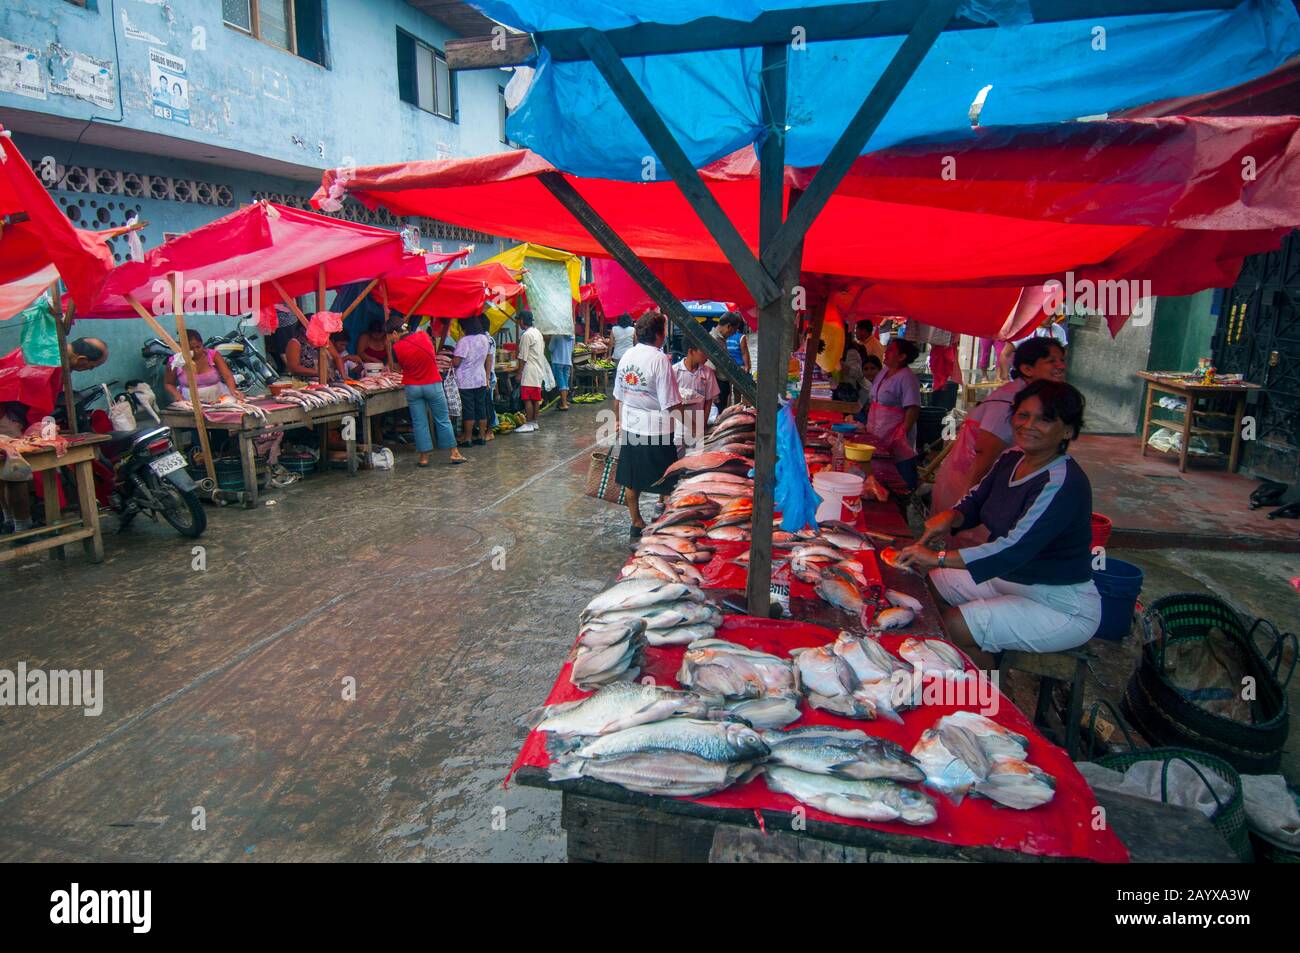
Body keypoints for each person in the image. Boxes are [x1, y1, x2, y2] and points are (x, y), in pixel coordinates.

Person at [895, 381, 1100, 667]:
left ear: (1067, 431)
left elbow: (1012, 550)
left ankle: (985, 694)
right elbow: (976, 502)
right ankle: (977, 660)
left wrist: (937, 557)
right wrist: (952, 517)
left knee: (953, 625)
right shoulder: (1010, 458)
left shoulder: (1063, 483)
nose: (1029, 425)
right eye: (1023, 415)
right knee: (929, 587)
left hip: (1057, 602)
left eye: (1045, 419)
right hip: (1010, 580)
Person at [930, 337, 1068, 519]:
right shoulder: (1007, 402)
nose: (1061, 366)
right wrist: (967, 508)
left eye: (1062, 360)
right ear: (1027, 369)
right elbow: (984, 457)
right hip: (973, 488)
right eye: (1051, 361)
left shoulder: (1030, 398)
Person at [614, 312, 682, 538]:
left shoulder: (626, 356)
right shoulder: (660, 359)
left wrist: (618, 420)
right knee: (667, 479)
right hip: (657, 429)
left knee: (632, 478)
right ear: (659, 334)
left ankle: (636, 521)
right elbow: (670, 402)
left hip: (631, 425)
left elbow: (618, 396)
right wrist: (693, 421)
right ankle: (665, 521)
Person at [388, 317, 465, 467]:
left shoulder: (396, 348)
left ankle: (424, 458)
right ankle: (454, 453)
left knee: (419, 422)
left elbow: (397, 368)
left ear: (395, 333)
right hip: (433, 384)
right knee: (442, 419)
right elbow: (430, 352)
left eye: (390, 335)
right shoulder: (424, 336)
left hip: (412, 387)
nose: (390, 339)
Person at [867, 338, 922, 489]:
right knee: (879, 471)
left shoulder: (907, 378)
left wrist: (902, 432)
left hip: (896, 435)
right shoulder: (884, 372)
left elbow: (913, 408)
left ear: (902, 356)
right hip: (878, 431)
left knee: (899, 477)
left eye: (891, 350)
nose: (886, 352)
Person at [163, 330, 243, 403]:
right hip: (189, 401)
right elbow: (169, 384)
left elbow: (227, 375)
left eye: (198, 347)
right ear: (182, 348)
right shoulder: (175, 361)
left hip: (218, 397)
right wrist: (178, 396)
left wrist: (233, 390)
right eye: (191, 349)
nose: (196, 351)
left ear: (202, 344)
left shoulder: (213, 355)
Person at [452, 315, 494, 447]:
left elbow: (457, 362)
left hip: (465, 381)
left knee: (468, 409)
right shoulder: (484, 339)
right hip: (480, 378)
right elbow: (488, 358)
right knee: (481, 408)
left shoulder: (464, 341)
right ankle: (481, 436)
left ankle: (468, 438)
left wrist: (451, 360)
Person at [673, 344, 720, 449]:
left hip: (698, 423)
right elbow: (670, 402)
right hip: (678, 426)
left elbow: (708, 401)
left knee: (695, 459)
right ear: (691, 351)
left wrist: (702, 426)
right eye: (703, 352)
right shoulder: (675, 371)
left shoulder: (707, 373)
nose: (707, 356)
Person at [515, 311, 549, 434]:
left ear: (523, 320)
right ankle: (534, 422)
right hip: (538, 369)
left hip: (529, 370)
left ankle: (529, 423)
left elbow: (523, 357)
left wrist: (519, 373)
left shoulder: (526, 335)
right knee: (535, 398)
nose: (518, 322)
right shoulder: (537, 332)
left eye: (519, 320)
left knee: (527, 398)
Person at [549, 330, 575, 410]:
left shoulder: (556, 335)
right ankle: (565, 401)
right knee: (565, 383)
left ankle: (564, 404)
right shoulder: (572, 336)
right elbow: (572, 349)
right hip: (567, 361)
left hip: (558, 361)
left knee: (561, 383)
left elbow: (550, 348)